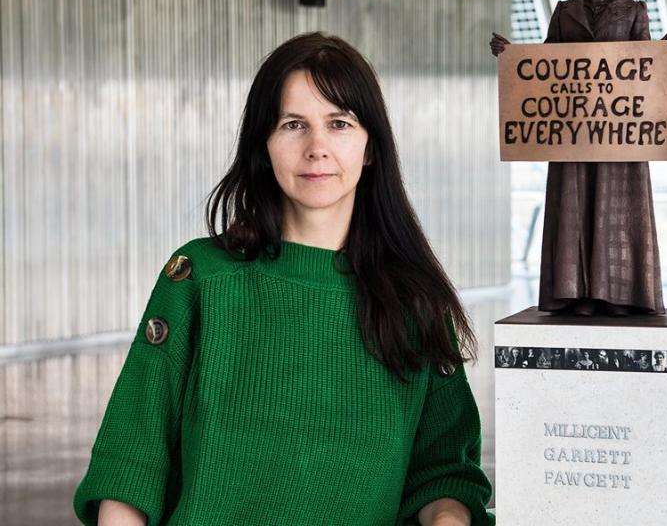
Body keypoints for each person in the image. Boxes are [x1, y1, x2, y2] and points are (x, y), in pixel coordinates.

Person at [72, 32, 494, 526]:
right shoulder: (200, 279)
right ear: (264, 144)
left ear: (371, 146)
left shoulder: (415, 303)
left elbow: (442, 475)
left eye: (339, 123)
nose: (317, 148)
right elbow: (132, 462)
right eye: (294, 124)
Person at [490, 0, 667, 317]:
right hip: (573, 135)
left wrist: (666, 48)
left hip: (618, 137)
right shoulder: (564, 11)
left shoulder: (633, 11)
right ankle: (574, 292)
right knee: (573, 209)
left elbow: (643, 68)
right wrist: (512, 56)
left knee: (617, 208)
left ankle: (619, 294)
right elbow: (545, 70)